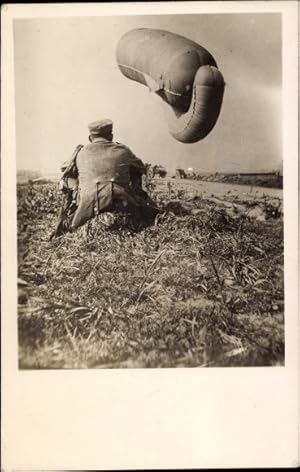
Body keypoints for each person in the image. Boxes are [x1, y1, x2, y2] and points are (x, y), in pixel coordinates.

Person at [50, 119, 158, 239]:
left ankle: (71, 213)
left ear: (90, 137)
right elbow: (141, 168)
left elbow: (65, 170)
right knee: (134, 172)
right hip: (123, 204)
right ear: (111, 136)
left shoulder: (80, 153)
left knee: (67, 180)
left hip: (87, 208)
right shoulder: (123, 150)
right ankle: (140, 207)